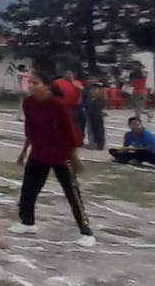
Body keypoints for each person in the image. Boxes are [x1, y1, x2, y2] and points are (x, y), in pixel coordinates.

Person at [11, 70, 96, 247]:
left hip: (61, 154)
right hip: (39, 152)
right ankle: (27, 222)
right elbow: (30, 130)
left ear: (47, 86)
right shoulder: (29, 103)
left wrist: (74, 158)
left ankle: (86, 231)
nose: (31, 86)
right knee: (28, 190)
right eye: (30, 83)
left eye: (35, 83)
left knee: (72, 193)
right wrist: (23, 152)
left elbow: (70, 132)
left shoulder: (58, 105)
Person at [82, 78, 107, 150]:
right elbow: (85, 103)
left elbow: (100, 105)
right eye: (92, 88)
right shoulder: (89, 94)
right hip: (90, 114)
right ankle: (93, 144)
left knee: (98, 130)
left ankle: (99, 144)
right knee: (91, 130)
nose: (93, 90)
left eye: (95, 88)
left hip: (97, 115)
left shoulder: (100, 96)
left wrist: (93, 101)